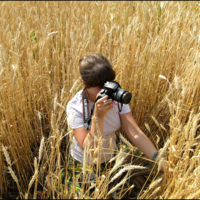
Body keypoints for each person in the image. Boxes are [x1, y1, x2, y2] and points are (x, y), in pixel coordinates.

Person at [66, 53, 166, 198]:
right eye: (99, 85)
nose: (105, 89)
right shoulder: (75, 106)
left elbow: (135, 133)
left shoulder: (116, 96)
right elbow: (91, 150)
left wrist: (158, 158)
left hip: (113, 156)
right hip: (85, 163)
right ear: (84, 83)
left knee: (154, 169)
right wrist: (97, 117)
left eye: (107, 82)